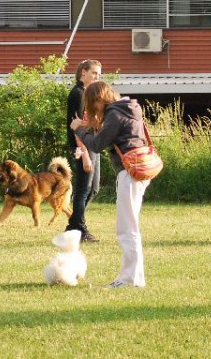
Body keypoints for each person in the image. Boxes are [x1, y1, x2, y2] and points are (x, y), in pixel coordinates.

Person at [71, 81, 151, 288]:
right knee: (130, 226)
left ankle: (128, 279)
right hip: (139, 170)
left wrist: (79, 130)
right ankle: (136, 278)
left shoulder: (115, 114)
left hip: (129, 172)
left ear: (99, 98)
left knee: (126, 228)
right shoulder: (129, 107)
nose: (93, 109)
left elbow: (96, 145)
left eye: (92, 104)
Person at [65, 59, 102, 243]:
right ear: (83, 73)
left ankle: (73, 226)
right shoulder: (78, 94)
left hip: (93, 143)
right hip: (83, 146)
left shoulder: (89, 93)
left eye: (99, 74)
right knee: (83, 189)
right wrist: (84, 153)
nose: (97, 76)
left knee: (93, 189)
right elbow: (76, 125)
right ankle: (80, 230)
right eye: (94, 73)